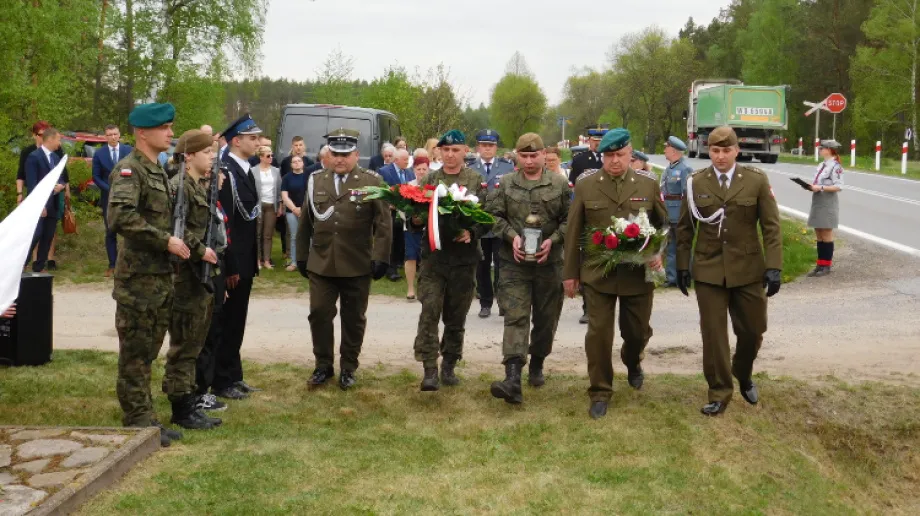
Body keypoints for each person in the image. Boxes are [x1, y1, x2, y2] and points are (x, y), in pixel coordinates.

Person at [676, 125, 783, 417]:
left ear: (737, 150)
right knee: (713, 334)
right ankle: (719, 392)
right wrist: (682, 266)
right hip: (709, 268)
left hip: (748, 268)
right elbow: (685, 228)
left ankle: (742, 370)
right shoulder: (695, 182)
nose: (720, 156)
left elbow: (771, 227)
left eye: (726, 150)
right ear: (707, 151)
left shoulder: (756, 180)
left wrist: (774, 266)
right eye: (714, 150)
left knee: (753, 330)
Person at [562, 128, 668, 419]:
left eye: (620, 155)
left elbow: (663, 224)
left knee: (636, 332)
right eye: (609, 155)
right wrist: (570, 272)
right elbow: (573, 232)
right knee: (598, 335)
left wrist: (658, 253)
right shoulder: (586, 185)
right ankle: (599, 391)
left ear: (630, 155)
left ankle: (632, 360)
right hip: (598, 273)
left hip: (637, 273)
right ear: (602, 156)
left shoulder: (647, 184)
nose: (615, 161)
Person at [108, 102, 190, 447]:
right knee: (136, 354)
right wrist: (165, 241)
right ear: (143, 132)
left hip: (158, 278)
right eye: (165, 128)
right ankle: (138, 422)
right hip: (138, 282)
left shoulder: (156, 170)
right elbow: (120, 217)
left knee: (149, 351)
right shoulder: (130, 170)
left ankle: (146, 417)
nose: (171, 134)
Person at [295, 128, 392, 390]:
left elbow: (384, 223)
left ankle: (349, 367)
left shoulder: (372, 180)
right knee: (319, 314)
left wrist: (381, 256)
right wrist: (301, 255)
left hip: (357, 262)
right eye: (335, 153)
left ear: (356, 155)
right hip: (322, 262)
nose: (340, 159)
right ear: (328, 155)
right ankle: (323, 365)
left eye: (345, 154)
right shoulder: (316, 179)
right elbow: (306, 220)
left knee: (354, 318)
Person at [486, 133, 570, 404]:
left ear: (544, 155)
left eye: (535, 155)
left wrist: (553, 240)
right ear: (516, 156)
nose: (530, 160)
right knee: (516, 317)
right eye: (524, 156)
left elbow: (571, 220)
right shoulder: (507, 183)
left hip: (549, 264)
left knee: (546, 320)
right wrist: (512, 236)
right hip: (514, 264)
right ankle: (512, 378)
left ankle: (537, 363)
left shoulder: (559, 183)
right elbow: (493, 216)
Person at [412, 130, 488, 392]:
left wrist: (473, 232)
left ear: (465, 151)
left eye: (456, 150)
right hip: (434, 259)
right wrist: (415, 219)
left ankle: (449, 364)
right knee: (429, 311)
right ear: (439, 152)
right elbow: (415, 213)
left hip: (464, 262)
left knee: (456, 317)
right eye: (446, 150)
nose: (450, 154)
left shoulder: (476, 180)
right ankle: (429, 368)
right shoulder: (430, 180)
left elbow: (487, 218)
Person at [164, 130, 223, 430]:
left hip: (199, 277)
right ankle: (180, 406)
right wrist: (201, 251)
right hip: (184, 278)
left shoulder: (198, 186)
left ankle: (187, 400)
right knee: (184, 345)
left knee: (194, 343)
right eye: (207, 152)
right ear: (189, 156)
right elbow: (175, 228)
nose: (211, 157)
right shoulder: (179, 187)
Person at [213, 114, 263, 400]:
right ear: (236, 141)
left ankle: (234, 374)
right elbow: (226, 223)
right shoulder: (227, 171)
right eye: (252, 138)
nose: (257, 142)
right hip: (234, 262)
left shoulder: (243, 168)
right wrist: (230, 265)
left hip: (245, 259)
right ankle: (221, 380)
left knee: (237, 320)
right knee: (228, 321)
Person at [468, 129, 515, 318]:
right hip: (480, 224)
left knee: (503, 264)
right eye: (484, 145)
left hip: (500, 224)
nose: (487, 149)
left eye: (491, 145)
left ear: (496, 147)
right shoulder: (470, 169)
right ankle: (485, 303)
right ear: (478, 147)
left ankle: (503, 302)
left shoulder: (506, 168)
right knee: (482, 265)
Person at [569, 126, 607, 324]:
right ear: (589, 141)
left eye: (601, 140)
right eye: (594, 140)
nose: (597, 144)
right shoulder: (580, 160)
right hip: (587, 217)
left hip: (608, 218)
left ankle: (606, 305)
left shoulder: (611, 159)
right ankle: (587, 307)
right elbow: (575, 189)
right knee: (587, 262)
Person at [93, 124, 134, 277]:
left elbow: (135, 171)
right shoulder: (99, 154)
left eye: (115, 134)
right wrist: (109, 189)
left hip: (128, 196)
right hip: (108, 197)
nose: (113, 137)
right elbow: (96, 177)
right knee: (110, 231)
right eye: (109, 134)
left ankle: (129, 265)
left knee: (129, 231)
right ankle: (112, 264)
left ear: (119, 135)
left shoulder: (128, 151)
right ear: (105, 136)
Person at [24, 127, 66, 273]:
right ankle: (22, 263)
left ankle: (39, 267)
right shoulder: (34, 157)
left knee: (48, 236)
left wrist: (60, 185)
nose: (59, 143)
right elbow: (32, 184)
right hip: (40, 205)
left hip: (53, 203)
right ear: (50, 139)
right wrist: (38, 205)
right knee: (36, 235)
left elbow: (59, 177)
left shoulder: (55, 157)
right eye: (58, 139)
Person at [806, 140, 844, 277]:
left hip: (828, 201)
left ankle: (826, 265)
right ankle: (820, 264)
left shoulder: (836, 166)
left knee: (826, 233)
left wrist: (820, 187)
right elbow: (818, 182)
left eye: (822, 148)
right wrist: (812, 187)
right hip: (818, 200)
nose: (820, 149)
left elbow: (839, 186)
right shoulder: (821, 165)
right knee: (818, 233)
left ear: (829, 149)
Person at [661, 136, 693, 287]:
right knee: (671, 246)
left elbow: (687, 195)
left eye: (666, 148)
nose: (664, 150)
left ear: (673, 151)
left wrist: (684, 215)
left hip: (679, 213)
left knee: (682, 245)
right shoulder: (669, 169)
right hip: (669, 212)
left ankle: (685, 276)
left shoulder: (684, 169)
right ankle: (671, 277)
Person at [379, 149, 414, 281]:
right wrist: (389, 204)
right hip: (390, 213)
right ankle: (390, 269)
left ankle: (398, 263)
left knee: (401, 239)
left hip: (405, 213)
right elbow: (381, 191)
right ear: (397, 160)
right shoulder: (384, 172)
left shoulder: (409, 172)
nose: (407, 162)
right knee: (391, 240)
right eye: (405, 159)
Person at [252, 146, 283, 269]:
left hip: (271, 205)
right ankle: (257, 260)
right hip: (258, 205)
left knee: (268, 235)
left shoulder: (276, 170)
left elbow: (280, 189)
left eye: (271, 155)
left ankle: (266, 260)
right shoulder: (253, 170)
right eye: (268, 155)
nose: (271, 158)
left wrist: (280, 206)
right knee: (257, 234)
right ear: (261, 157)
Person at [404, 156, 430, 300]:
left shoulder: (433, 186)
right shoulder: (408, 186)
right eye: (418, 169)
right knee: (411, 256)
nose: (421, 172)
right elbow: (403, 207)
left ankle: (426, 288)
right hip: (410, 227)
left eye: (424, 169)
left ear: (428, 170)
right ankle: (410, 289)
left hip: (429, 229)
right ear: (414, 170)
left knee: (427, 258)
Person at [281, 155, 308, 271]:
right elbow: (284, 196)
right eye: (294, 162)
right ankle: (294, 262)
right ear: (291, 165)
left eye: (299, 161)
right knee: (294, 236)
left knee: (308, 236)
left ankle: (309, 261)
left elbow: (310, 194)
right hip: (291, 211)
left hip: (306, 210)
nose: (296, 163)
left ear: (303, 163)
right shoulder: (287, 178)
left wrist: (303, 208)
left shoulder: (309, 176)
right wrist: (294, 209)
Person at [17, 121, 51, 206]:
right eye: (41, 135)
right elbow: (21, 174)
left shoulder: (54, 150)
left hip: (51, 195)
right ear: (34, 135)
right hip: (33, 194)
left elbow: (62, 173)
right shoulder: (27, 152)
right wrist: (19, 194)